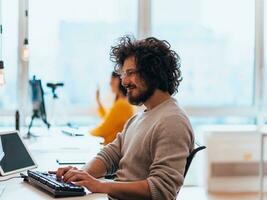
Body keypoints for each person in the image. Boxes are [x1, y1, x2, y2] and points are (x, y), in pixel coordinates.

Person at [54, 36, 195, 200]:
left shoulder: (172, 121)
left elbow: (161, 189)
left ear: (152, 72)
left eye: (130, 73)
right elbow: (109, 156)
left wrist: (100, 185)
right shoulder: (139, 118)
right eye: (123, 74)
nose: (124, 81)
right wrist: (80, 174)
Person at [91, 72, 134, 145]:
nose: (110, 82)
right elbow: (108, 119)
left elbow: (103, 130)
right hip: (111, 146)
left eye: (113, 79)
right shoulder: (122, 102)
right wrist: (98, 101)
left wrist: (86, 133)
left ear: (121, 80)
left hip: (111, 148)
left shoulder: (122, 105)